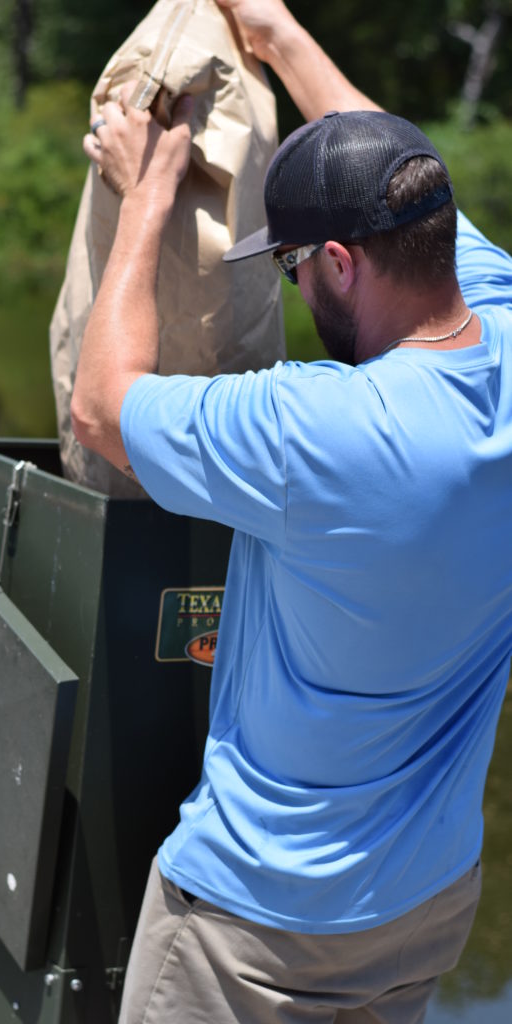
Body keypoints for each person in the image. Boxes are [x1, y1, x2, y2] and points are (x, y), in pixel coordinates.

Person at [72, 1, 512, 1021]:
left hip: (257, 923)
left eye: (291, 262)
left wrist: (147, 196)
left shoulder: (320, 432)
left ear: (341, 263)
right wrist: (274, 35)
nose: (293, 282)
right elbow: (403, 167)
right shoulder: (495, 317)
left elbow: (103, 405)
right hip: (422, 899)